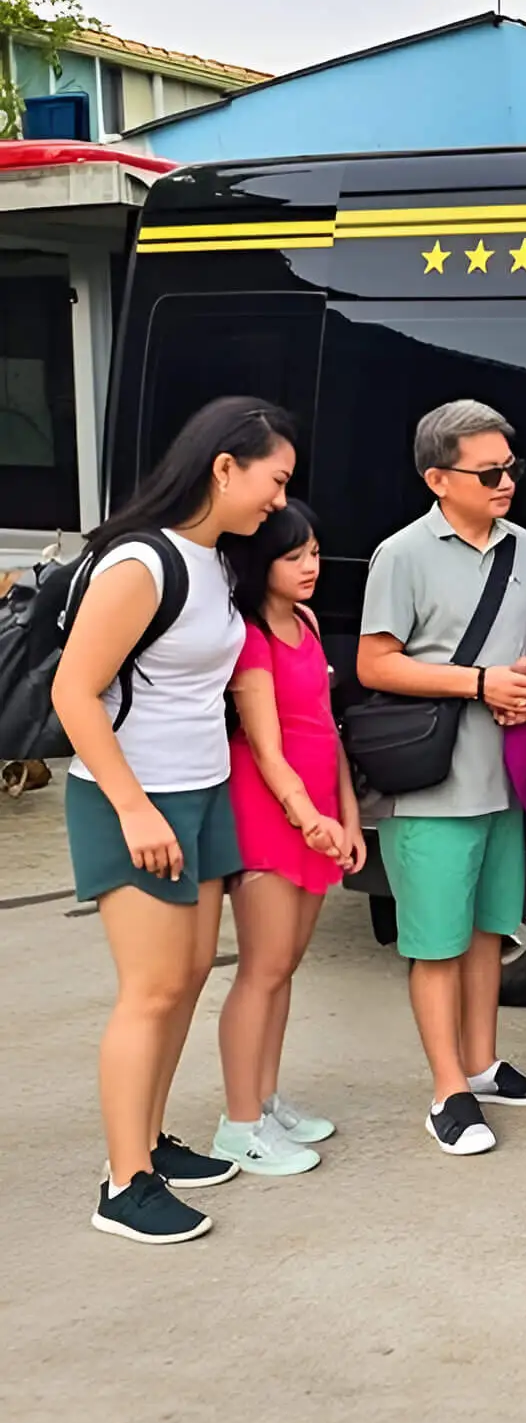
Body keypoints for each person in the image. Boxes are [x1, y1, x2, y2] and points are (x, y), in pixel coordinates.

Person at [53, 396, 296, 1243]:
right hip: (135, 799)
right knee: (150, 991)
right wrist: (131, 808)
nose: (278, 500)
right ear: (224, 467)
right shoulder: (141, 564)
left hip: (199, 793)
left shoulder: (213, 562)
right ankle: (124, 1185)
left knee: (187, 979)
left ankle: (149, 1143)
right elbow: (72, 693)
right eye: (275, 481)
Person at [356, 401, 526, 1157]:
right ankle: (446, 1090)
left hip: (504, 779)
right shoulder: (402, 555)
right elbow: (376, 663)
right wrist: (481, 685)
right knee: (437, 943)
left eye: (512, 467)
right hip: (430, 784)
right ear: (437, 478)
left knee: (487, 932)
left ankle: (482, 1062)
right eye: (490, 471)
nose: (507, 481)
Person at [214, 498, 361, 1177]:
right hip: (271, 812)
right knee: (262, 969)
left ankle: (265, 1099)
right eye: (292, 556)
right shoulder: (250, 636)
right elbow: (267, 750)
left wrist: (349, 818)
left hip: (319, 812)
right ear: (259, 563)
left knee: (285, 967)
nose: (310, 567)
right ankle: (238, 1123)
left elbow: (327, 730)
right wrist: (310, 818)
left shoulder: (302, 621)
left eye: (313, 553)